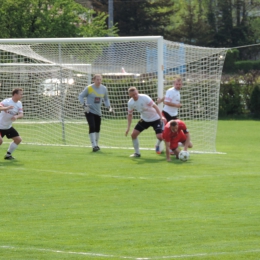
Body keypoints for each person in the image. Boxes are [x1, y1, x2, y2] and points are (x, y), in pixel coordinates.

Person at [125, 87, 163, 157]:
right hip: (144, 120)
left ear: (138, 91)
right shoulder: (130, 103)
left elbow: (155, 107)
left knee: (160, 137)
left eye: (136, 94)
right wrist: (128, 128)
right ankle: (137, 153)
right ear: (130, 95)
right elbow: (130, 115)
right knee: (133, 135)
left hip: (155, 118)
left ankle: (157, 145)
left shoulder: (144, 97)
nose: (135, 96)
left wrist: (161, 118)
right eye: (133, 95)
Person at [78, 74, 113, 152]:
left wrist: (109, 107)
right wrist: (84, 104)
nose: (99, 81)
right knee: (92, 126)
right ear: (93, 80)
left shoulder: (104, 89)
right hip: (89, 110)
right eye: (97, 79)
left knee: (97, 128)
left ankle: (96, 144)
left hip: (98, 112)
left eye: (100, 79)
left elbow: (106, 99)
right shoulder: (89, 88)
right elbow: (80, 96)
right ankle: (94, 146)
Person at [156, 77, 183, 153]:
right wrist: (176, 105)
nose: (178, 85)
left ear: (181, 85)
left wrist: (160, 100)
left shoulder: (177, 91)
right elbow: (166, 102)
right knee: (165, 132)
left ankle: (172, 148)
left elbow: (166, 98)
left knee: (174, 131)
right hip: (166, 114)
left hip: (174, 115)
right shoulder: (171, 91)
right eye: (176, 84)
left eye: (179, 84)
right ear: (173, 84)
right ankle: (158, 145)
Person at [0, 88, 24, 160]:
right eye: (21, 94)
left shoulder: (19, 103)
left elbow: (21, 114)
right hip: (0, 126)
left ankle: (8, 155)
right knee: (0, 141)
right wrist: (6, 108)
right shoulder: (7, 101)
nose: (22, 95)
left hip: (8, 127)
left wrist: (16, 116)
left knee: (18, 140)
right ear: (15, 94)